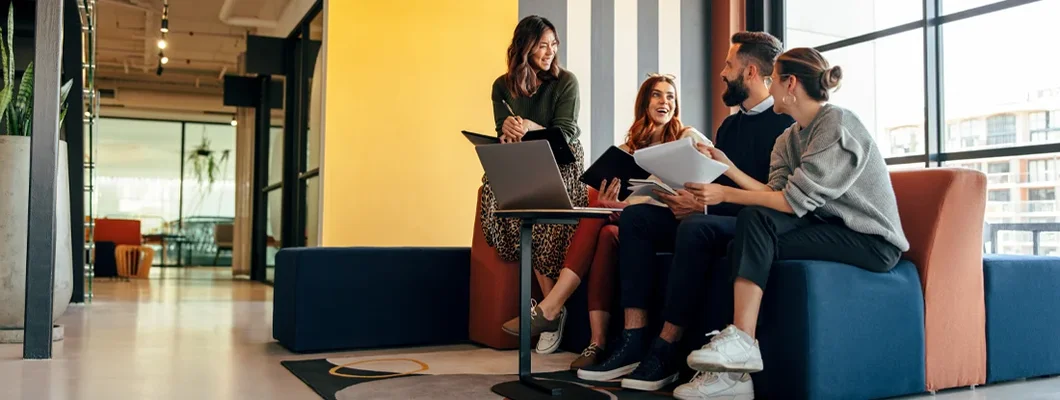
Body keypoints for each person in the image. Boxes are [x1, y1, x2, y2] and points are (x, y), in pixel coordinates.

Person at [676, 47, 909, 399]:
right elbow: (774, 194)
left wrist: (725, 195)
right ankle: (736, 377)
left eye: (773, 81)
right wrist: (727, 167)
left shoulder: (837, 124)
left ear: (791, 84)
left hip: (870, 241)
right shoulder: (788, 138)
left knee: (752, 223)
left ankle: (741, 344)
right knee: (743, 238)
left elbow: (790, 201)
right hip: (827, 228)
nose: (768, 88)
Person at [577, 32, 794, 393]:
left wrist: (704, 206)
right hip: (712, 212)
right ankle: (633, 339)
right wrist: (686, 199)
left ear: (751, 71)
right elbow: (709, 180)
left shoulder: (785, 125)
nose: (722, 73)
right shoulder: (729, 126)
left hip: (754, 223)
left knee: (695, 228)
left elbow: (772, 197)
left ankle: (666, 350)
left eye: (729, 65)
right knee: (637, 219)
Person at [500, 74, 710, 366]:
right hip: (635, 224)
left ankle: (551, 308)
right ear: (645, 104)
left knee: (603, 217)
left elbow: (707, 181)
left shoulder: (688, 137)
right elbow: (625, 203)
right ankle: (596, 344)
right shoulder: (627, 151)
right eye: (657, 95)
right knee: (604, 226)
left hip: (675, 223)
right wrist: (615, 204)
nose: (664, 102)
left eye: (670, 96)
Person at [479, 14, 587, 352]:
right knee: (497, 194)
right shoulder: (501, 86)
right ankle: (553, 311)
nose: (550, 51)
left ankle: (550, 311)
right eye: (543, 45)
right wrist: (507, 132)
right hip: (524, 158)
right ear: (525, 47)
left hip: (562, 160)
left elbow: (566, 134)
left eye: (554, 44)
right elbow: (502, 128)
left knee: (540, 219)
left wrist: (529, 126)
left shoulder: (566, 81)